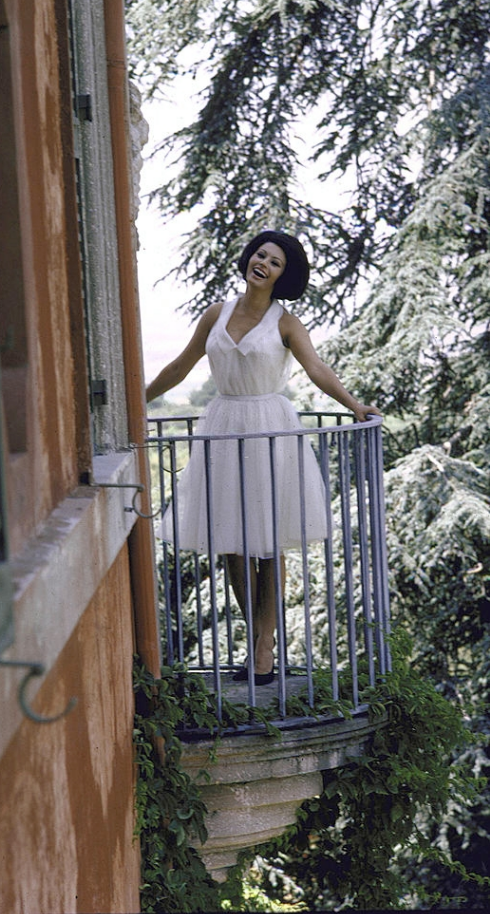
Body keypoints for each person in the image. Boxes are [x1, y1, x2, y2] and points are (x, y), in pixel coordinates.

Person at [145, 230, 382, 684]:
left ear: (281, 275)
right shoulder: (216, 313)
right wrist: (137, 400)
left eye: (274, 262)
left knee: (269, 543)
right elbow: (180, 366)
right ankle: (258, 638)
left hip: (270, 429)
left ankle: (263, 650)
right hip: (223, 426)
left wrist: (355, 406)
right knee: (231, 543)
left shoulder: (286, 322)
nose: (264, 264)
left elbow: (317, 369)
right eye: (260, 255)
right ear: (248, 260)